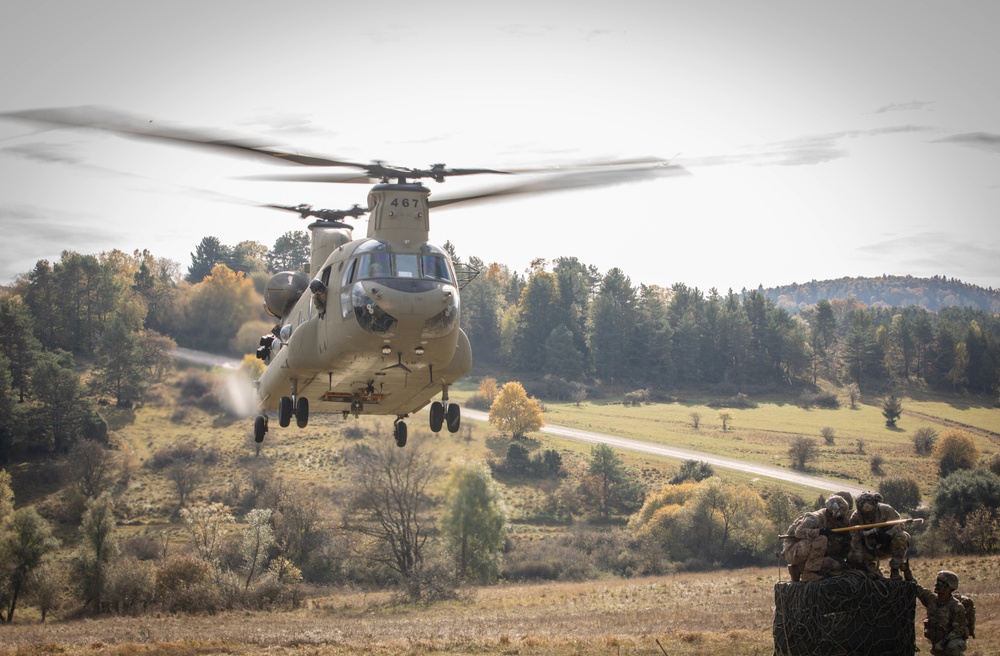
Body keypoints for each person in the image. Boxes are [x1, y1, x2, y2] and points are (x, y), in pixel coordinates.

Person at [903, 565, 968, 656]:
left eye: (941, 582)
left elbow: (959, 631)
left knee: (953, 647)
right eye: (937, 581)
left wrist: (943, 642)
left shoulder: (956, 606)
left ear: (949, 587)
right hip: (937, 643)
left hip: (951, 641)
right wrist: (907, 572)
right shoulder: (931, 599)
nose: (937, 584)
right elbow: (916, 587)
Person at [782, 495, 850, 582]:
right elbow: (799, 532)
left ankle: (800, 568)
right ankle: (808, 573)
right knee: (822, 539)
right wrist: (820, 531)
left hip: (810, 554)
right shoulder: (815, 518)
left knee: (835, 565)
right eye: (839, 516)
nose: (840, 519)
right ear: (832, 512)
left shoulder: (836, 521)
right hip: (793, 551)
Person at [847, 491, 911, 579]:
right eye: (865, 513)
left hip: (888, 546)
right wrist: (860, 562)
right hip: (869, 550)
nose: (869, 515)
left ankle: (895, 570)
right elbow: (855, 541)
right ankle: (872, 572)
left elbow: (899, 525)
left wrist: (887, 535)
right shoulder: (855, 519)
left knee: (902, 537)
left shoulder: (886, 510)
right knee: (851, 556)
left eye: (871, 512)